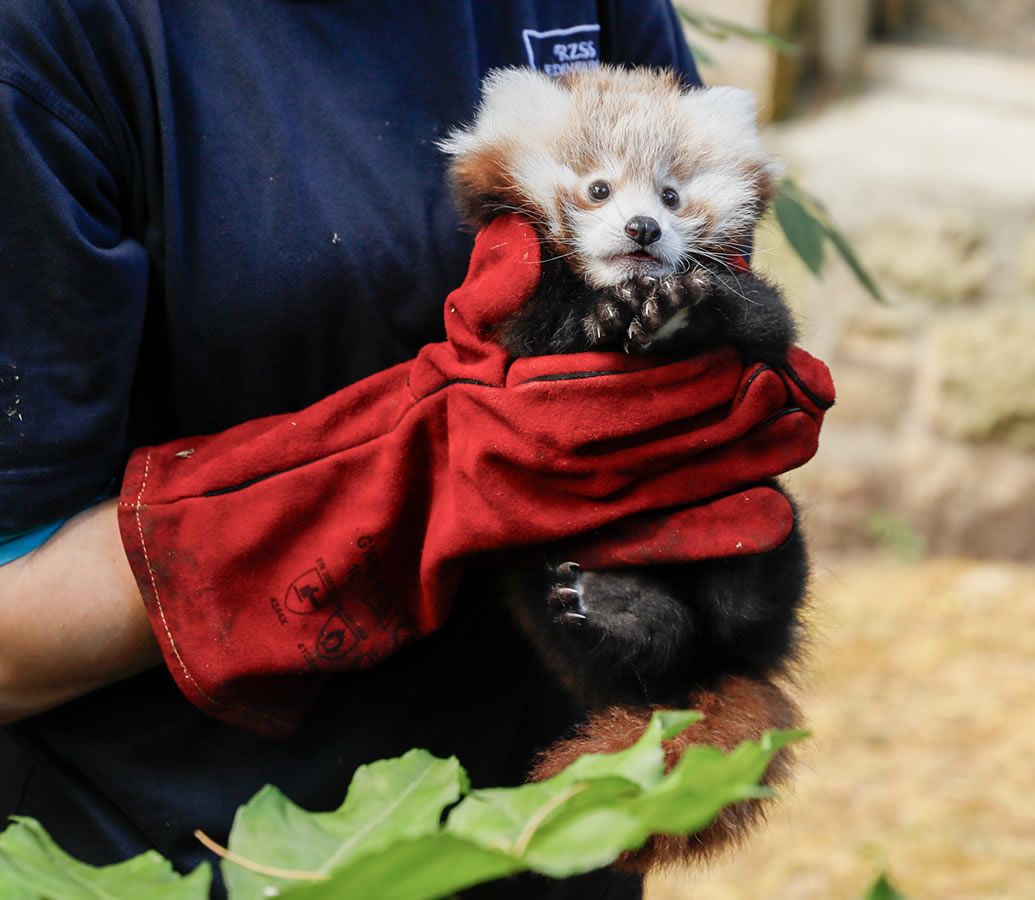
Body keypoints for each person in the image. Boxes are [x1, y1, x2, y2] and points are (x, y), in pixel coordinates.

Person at [0, 3, 800, 897]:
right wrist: (399, 488)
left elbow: (715, 289)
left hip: (555, 822)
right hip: (206, 851)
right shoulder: (51, 40)